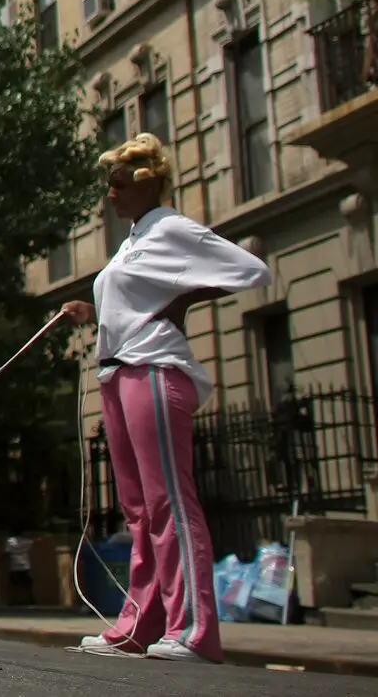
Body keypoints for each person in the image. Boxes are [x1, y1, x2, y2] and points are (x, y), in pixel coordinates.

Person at [60, 133, 268, 664]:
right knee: (138, 511)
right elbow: (133, 299)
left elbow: (251, 269)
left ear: (147, 182)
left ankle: (195, 630)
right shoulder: (132, 240)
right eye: (109, 183)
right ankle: (141, 623)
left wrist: (185, 301)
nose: (110, 193)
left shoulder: (172, 227)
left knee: (168, 502)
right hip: (118, 372)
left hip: (154, 369)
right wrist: (93, 312)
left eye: (119, 182)